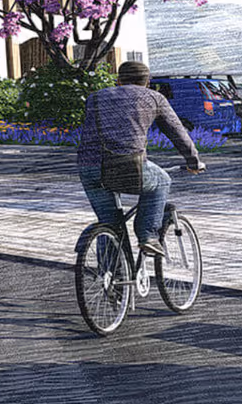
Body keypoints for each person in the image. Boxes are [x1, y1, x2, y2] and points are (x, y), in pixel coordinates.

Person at [76, 60, 205, 261]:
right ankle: (148, 236)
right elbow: (177, 133)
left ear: (118, 80)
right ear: (147, 82)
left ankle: (112, 281)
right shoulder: (154, 98)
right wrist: (194, 161)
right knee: (162, 181)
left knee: (109, 223)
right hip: (127, 165)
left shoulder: (95, 98)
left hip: (89, 167)